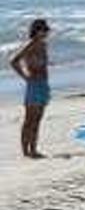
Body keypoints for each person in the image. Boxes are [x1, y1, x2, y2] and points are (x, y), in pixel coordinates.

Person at [9, 19, 51, 158]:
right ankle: (25, 151)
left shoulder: (43, 45)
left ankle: (33, 149)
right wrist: (25, 76)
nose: (46, 32)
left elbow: (43, 64)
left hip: (43, 84)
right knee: (29, 119)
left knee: (38, 119)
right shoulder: (30, 44)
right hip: (33, 85)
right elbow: (14, 60)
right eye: (44, 30)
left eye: (46, 30)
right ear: (37, 31)